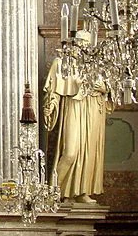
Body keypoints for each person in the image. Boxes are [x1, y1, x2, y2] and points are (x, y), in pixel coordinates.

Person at [43, 56, 112, 203]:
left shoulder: (102, 60)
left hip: (94, 106)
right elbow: (53, 89)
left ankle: (81, 191)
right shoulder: (62, 61)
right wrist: (51, 105)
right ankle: (51, 192)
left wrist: (104, 88)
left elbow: (115, 88)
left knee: (89, 151)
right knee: (70, 153)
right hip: (74, 105)